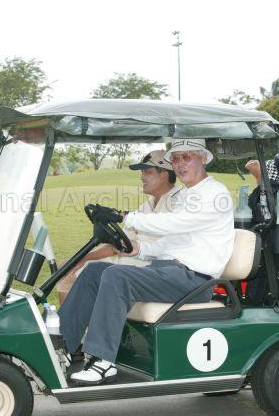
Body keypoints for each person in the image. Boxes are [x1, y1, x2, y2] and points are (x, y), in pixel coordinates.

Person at [59, 138, 235, 386]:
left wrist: (125, 217)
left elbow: (174, 224)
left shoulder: (215, 194)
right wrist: (139, 249)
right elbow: (170, 241)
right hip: (168, 272)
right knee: (96, 271)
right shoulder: (187, 195)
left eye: (187, 157)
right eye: (176, 158)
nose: (181, 164)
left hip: (195, 281)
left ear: (203, 158)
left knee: (116, 276)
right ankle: (64, 347)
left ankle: (102, 360)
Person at [56, 150, 181, 303]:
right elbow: (120, 244)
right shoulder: (146, 206)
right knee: (66, 266)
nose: (142, 177)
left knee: (75, 272)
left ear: (164, 175)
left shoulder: (179, 202)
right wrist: (82, 258)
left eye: (147, 172)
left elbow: (167, 250)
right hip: (131, 262)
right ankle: (67, 323)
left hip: (154, 268)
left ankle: (66, 325)